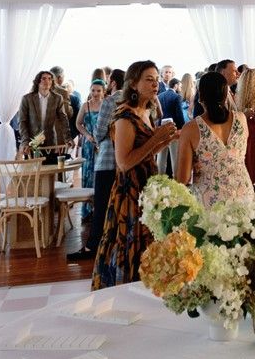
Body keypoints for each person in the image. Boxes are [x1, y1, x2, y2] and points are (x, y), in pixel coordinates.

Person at [92, 61, 177, 287]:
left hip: (146, 187)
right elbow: (124, 162)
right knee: (128, 244)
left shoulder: (146, 111)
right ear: (133, 84)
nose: (155, 83)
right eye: (149, 79)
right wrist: (156, 139)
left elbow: (146, 152)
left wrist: (164, 141)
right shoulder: (125, 117)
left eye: (157, 79)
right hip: (130, 191)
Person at [68, 70, 125, 263]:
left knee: (101, 204)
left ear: (113, 82)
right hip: (125, 159)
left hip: (107, 156)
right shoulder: (134, 100)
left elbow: (100, 132)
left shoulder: (110, 101)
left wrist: (97, 136)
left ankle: (93, 246)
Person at [176, 71, 254, 207]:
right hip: (242, 194)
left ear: (200, 96)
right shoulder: (241, 118)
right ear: (226, 95)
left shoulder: (190, 129)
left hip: (210, 201)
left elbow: (182, 178)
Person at [18, 70, 70, 160]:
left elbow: (63, 119)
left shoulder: (57, 98)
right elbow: (22, 122)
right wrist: (25, 141)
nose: (47, 81)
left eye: (50, 79)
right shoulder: (27, 99)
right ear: (38, 81)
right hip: (32, 142)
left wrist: (68, 138)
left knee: (50, 170)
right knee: (34, 171)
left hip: (50, 142)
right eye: (44, 79)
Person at [76, 79, 105, 215]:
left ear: (103, 92)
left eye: (98, 90)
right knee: (87, 174)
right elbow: (78, 124)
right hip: (89, 145)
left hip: (103, 144)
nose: (95, 93)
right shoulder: (85, 106)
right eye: (93, 90)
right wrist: (87, 135)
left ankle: (99, 208)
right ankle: (87, 209)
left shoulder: (106, 105)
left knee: (100, 175)